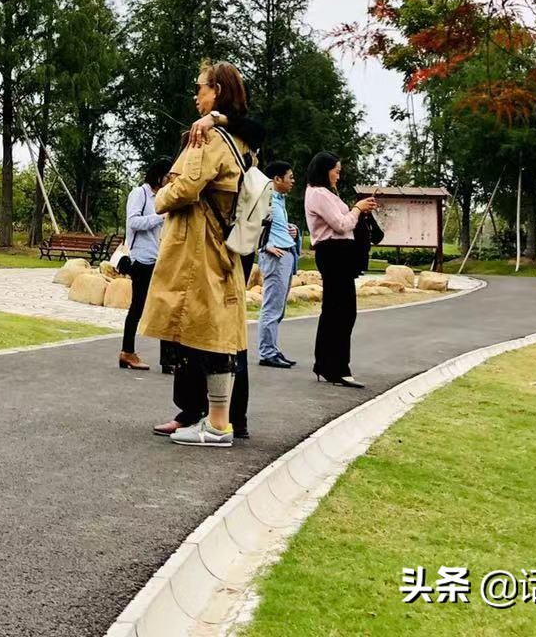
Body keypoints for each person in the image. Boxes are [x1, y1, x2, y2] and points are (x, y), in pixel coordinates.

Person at [142, 61, 253, 449]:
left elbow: (187, 186)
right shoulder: (242, 140)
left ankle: (217, 422)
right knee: (213, 329)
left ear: (218, 91)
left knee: (208, 331)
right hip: (224, 244)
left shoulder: (213, 138)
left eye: (201, 88)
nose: (196, 95)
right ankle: (209, 416)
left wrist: (159, 197)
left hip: (200, 246)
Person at [304, 151, 377, 387]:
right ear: (325, 170)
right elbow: (341, 224)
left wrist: (359, 210)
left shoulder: (324, 194)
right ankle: (336, 367)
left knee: (336, 312)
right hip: (333, 253)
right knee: (341, 313)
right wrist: (356, 209)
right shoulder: (319, 194)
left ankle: (326, 364)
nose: (338, 175)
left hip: (338, 254)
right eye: (336, 171)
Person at [119, 160, 170, 370]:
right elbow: (133, 222)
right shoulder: (140, 193)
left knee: (165, 308)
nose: (170, 180)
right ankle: (127, 352)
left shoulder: (165, 197)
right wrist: (160, 217)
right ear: (158, 175)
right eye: (168, 175)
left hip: (160, 259)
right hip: (142, 259)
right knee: (138, 307)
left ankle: (168, 360)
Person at [257, 161, 301, 368]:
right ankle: (267, 353)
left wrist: (292, 229)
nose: (293, 181)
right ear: (277, 179)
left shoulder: (279, 200)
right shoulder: (264, 199)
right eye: (289, 177)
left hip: (287, 253)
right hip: (276, 257)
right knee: (272, 307)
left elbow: (274, 226)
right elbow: (249, 223)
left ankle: (272, 349)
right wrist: (265, 246)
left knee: (279, 308)